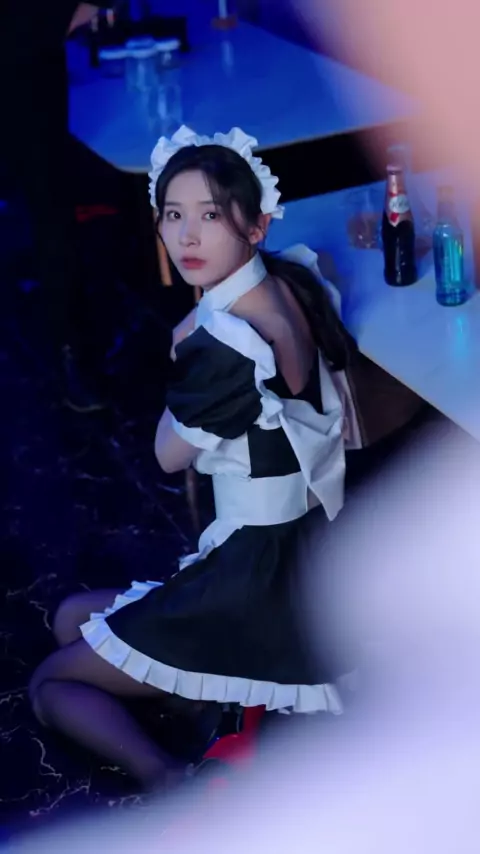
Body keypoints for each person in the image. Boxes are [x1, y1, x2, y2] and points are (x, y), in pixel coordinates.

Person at [28, 125, 362, 792]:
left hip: (253, 576)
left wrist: (185, 344)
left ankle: (170, 780)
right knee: (69, 617)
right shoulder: (292, 280)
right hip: (293, 551)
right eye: (173, 215)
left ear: (255, 225)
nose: (186, 237)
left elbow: (165, 456)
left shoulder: (226, 341)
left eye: (210, 215)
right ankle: (210, 699)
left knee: (48, 686)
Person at [0, 2, 116, 411]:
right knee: (50, 208)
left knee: (51, 207)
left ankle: (71, 349)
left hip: (30, 65)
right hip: (24, 58)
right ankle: (71, 351)